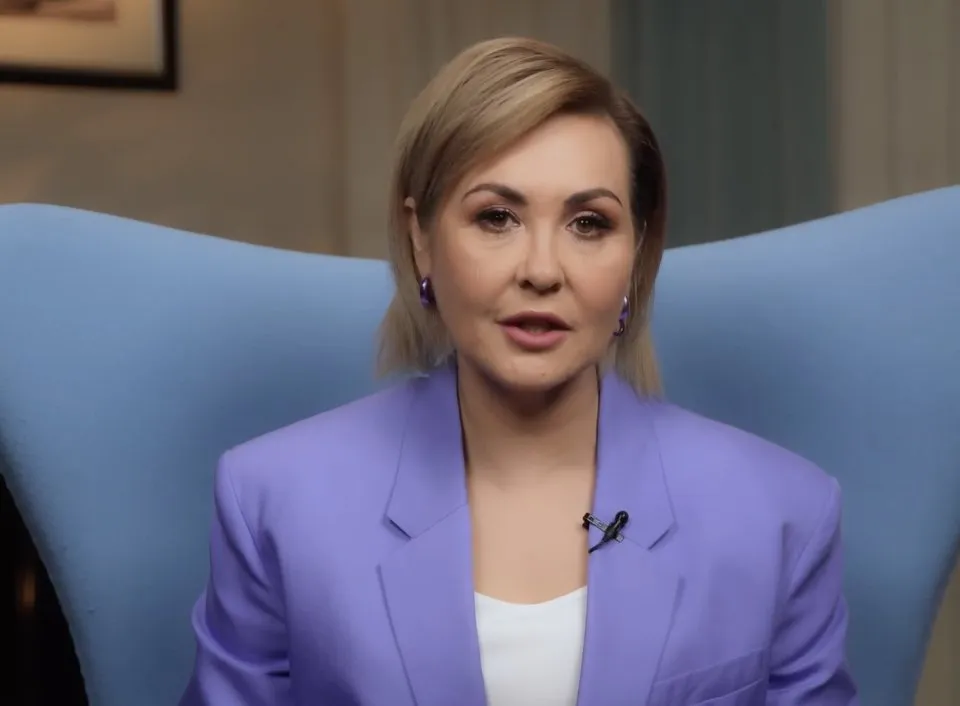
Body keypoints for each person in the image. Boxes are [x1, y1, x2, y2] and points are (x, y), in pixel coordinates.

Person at [180, 37, 859, 706]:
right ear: (421, 239)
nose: (541, 270)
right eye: (497, 217)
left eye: (588, 223)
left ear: (637, 252)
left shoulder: (784, 515)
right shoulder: (272, 500)